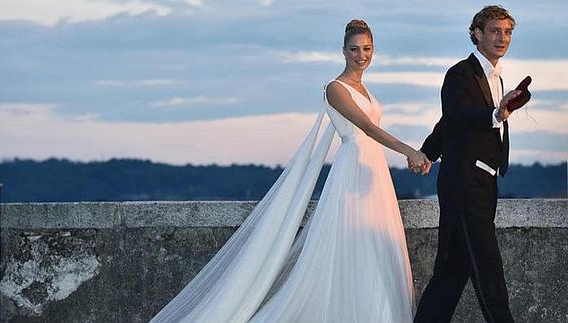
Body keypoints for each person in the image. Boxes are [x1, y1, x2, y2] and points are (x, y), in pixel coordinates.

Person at [151, 20, 426, 323]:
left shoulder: (365, 88)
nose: (361, 55)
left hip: (374, 173)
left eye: (367, 49)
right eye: (354, 49)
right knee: (355, 248)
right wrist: (408, 151)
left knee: (377, 249)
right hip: (352, 171)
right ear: (343, 51)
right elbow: (367, 128)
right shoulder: (336, 89)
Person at [414, 5, 521, 323]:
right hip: (464, 186)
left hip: (484, 185)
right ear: (477, 34)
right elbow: (459, 115)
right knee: (489, 270)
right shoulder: (460, 73)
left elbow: (448, 123)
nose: (502, 38)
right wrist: (495, 114)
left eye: (507, 32)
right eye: (494, 31)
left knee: (451, 272)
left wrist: (427, 152)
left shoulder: (495, 78)